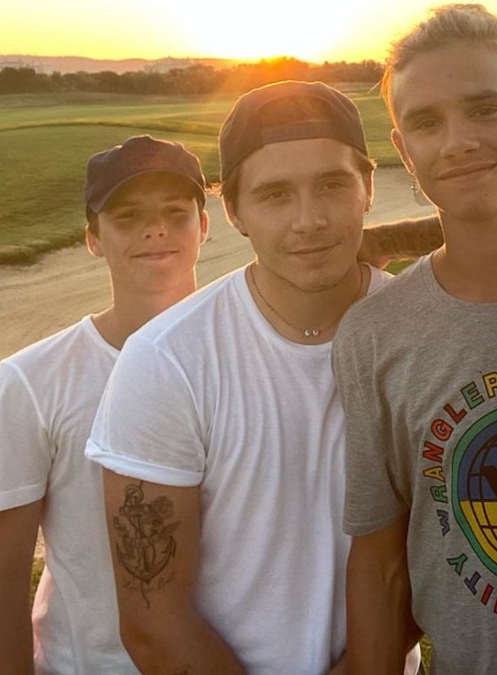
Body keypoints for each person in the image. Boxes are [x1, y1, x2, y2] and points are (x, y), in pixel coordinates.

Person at [85, 81, 420, 675]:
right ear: (233, 211)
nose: (309, 220)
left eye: (333, 185)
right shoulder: (168, 360)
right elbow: (153, 620)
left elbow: (436, 551)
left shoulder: (423, 338)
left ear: (368, 187)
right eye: (274, 195)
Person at [333, 5, 497, 674]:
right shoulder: (376, 334)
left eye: (484, 110)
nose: (457, 141)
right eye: (425, 122)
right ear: (401, 149)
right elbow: (382, 560)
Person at [0, 134, 209, 675]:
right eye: (128, 216)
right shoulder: (34, 379)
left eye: (176, 212)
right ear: (92, 238)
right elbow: (2, 575)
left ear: (205, 225)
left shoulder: (246, 349)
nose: (156, 230)